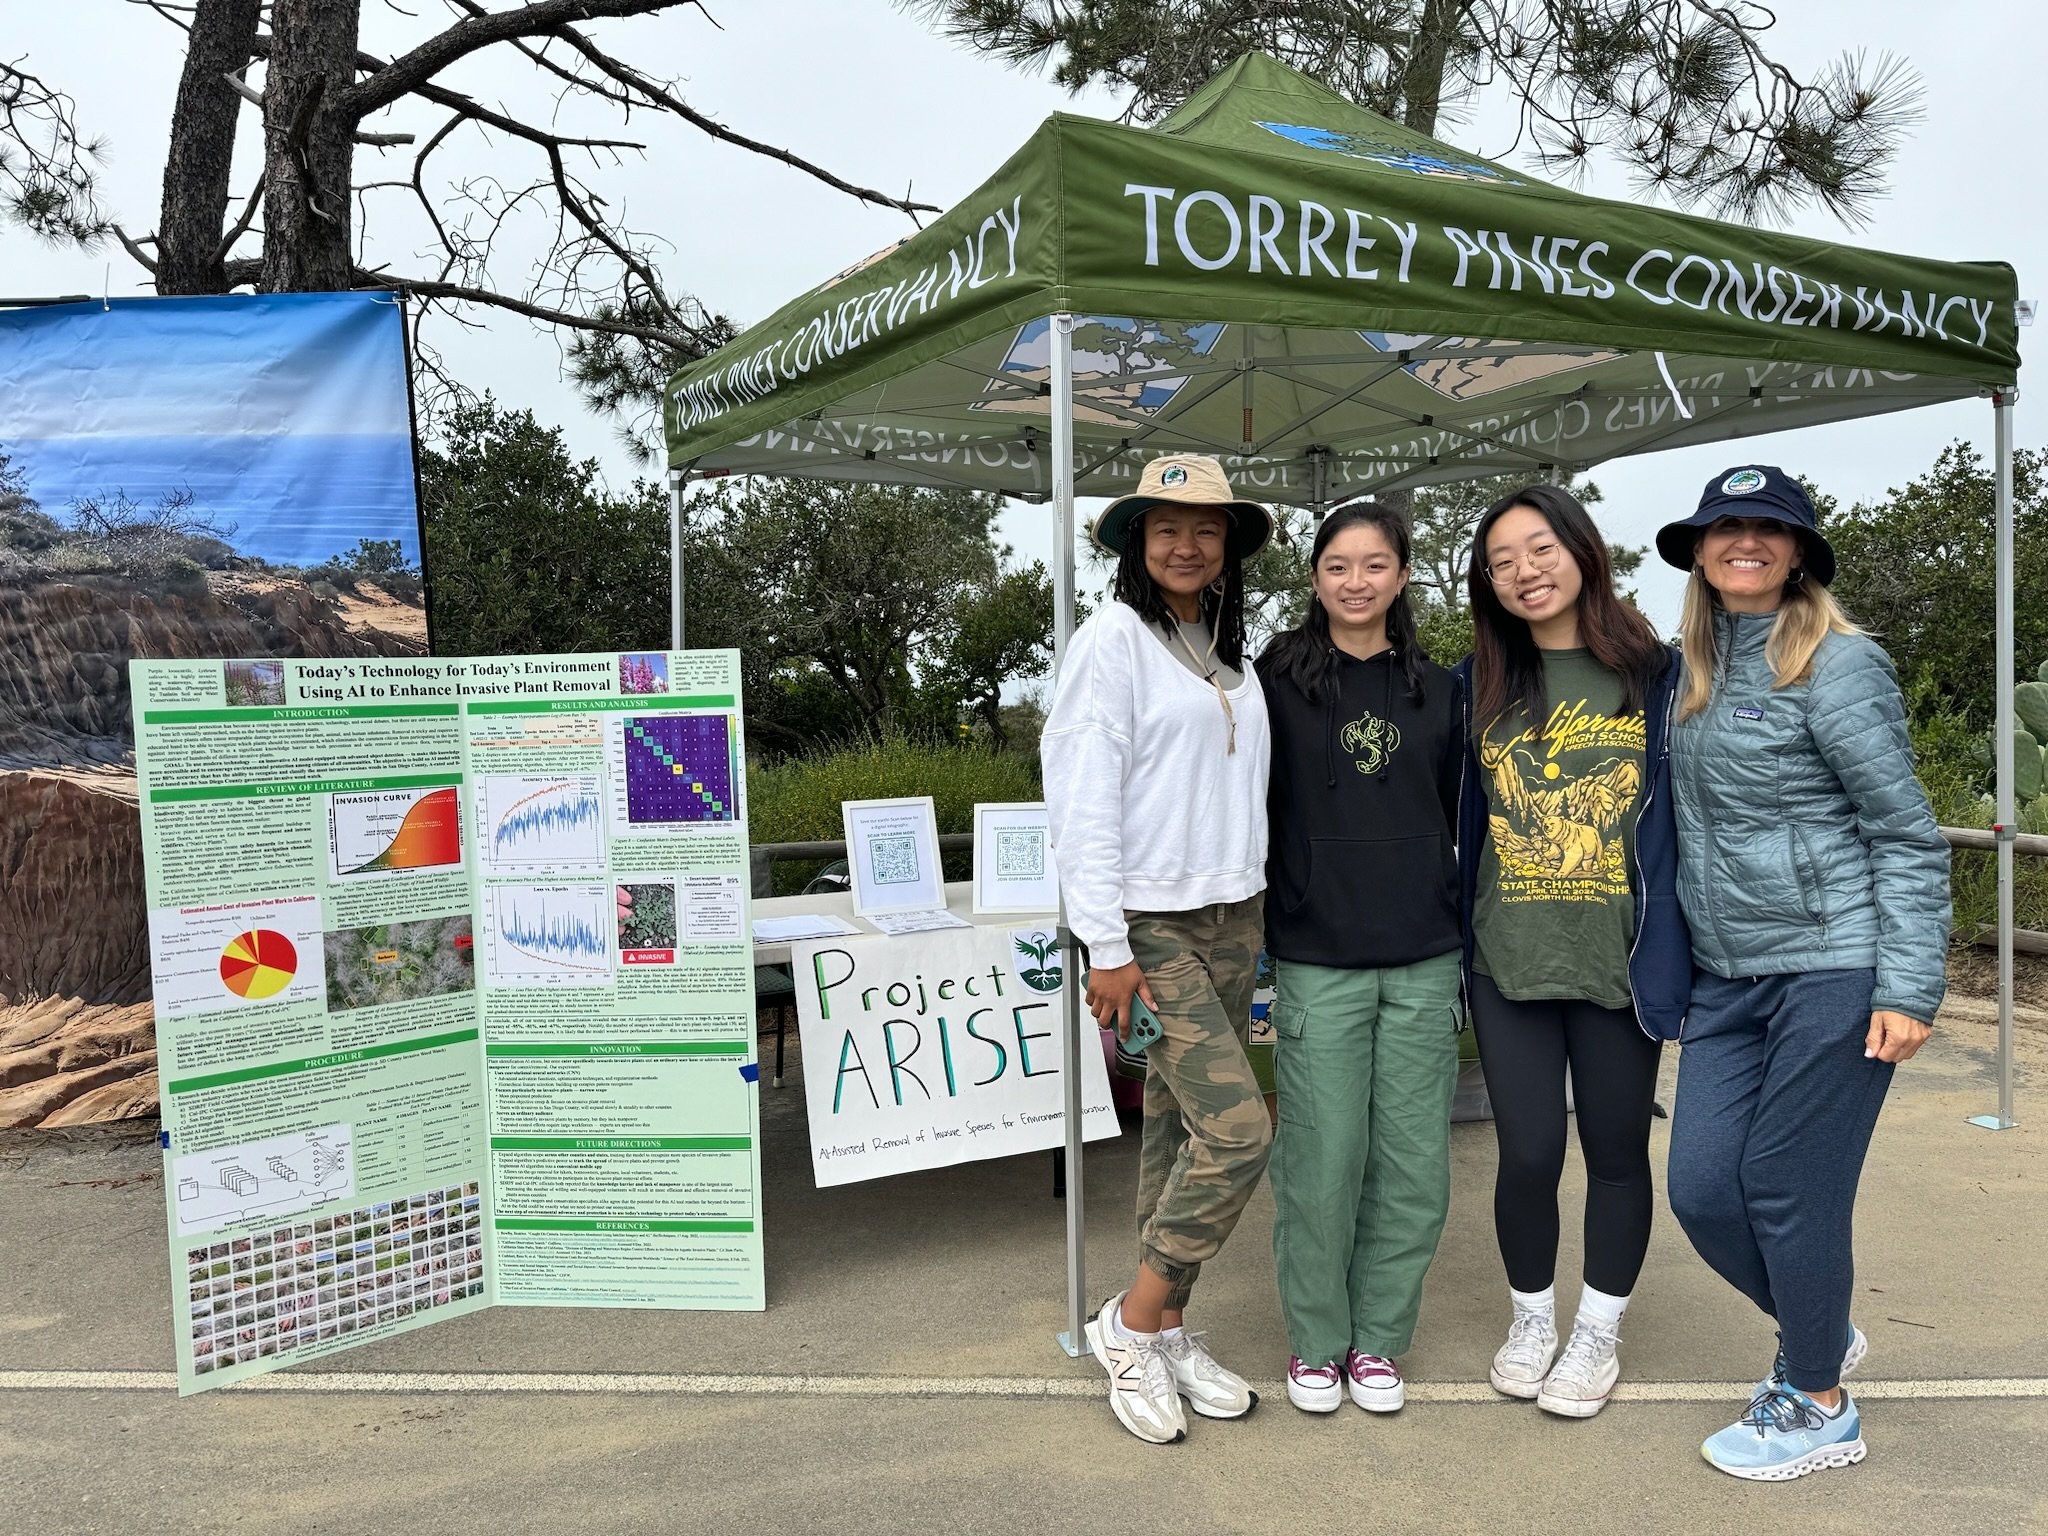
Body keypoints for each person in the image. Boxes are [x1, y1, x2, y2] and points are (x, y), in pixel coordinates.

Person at [1655, 466, 1949, 1480]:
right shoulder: (1684, 673)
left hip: (1831, 965)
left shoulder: (1838, 663)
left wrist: (1906, 987)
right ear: (1700, 552)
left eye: (1767, 528)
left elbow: (1904, 834)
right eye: (1724, 527)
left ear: (1797, 554)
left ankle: (1820, 1402)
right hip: (1724, 975)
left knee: (1786, 1186)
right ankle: (1817, 1326)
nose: (1745, 542)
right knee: (1701, 1190)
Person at [1042, 454, 1274, 1445]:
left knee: (1178, 1131)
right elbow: (1079, 797)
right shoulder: (1113, 640)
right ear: (1136, 543)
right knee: (1240, 1131)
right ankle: (1131, 1324)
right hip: (1149, 924)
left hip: (1232, 914)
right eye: (1165, 528)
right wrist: (1104, 943)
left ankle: (1170, 1326)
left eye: (1205, 529)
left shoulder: (1224, 645)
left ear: (1227, 547)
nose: (1186, 545)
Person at [1455, 483, 1690, 1419]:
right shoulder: (1476, 684)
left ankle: (1597, 1331)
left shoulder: (1662, 677)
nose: (1524, 571)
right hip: (1506, 957)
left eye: (1540, 549)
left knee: (1617, 1151)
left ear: (1583, 552)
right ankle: (1531, 1319)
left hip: (1620, 960)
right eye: (1502, 561)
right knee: (1527, 1154)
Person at [1255, 501, 1463, 1415]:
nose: (1355, 581)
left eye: (1375, 565)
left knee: (1413, 1164)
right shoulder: (1273, 681)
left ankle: (1378, 1340)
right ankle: (1316, 1342)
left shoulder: (1441, 690)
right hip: (1317, 956)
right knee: (1322, 1160)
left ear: (1403, 575)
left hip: (1424, 953)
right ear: (1314, 578)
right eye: (1337, 565)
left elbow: (1462, 814)